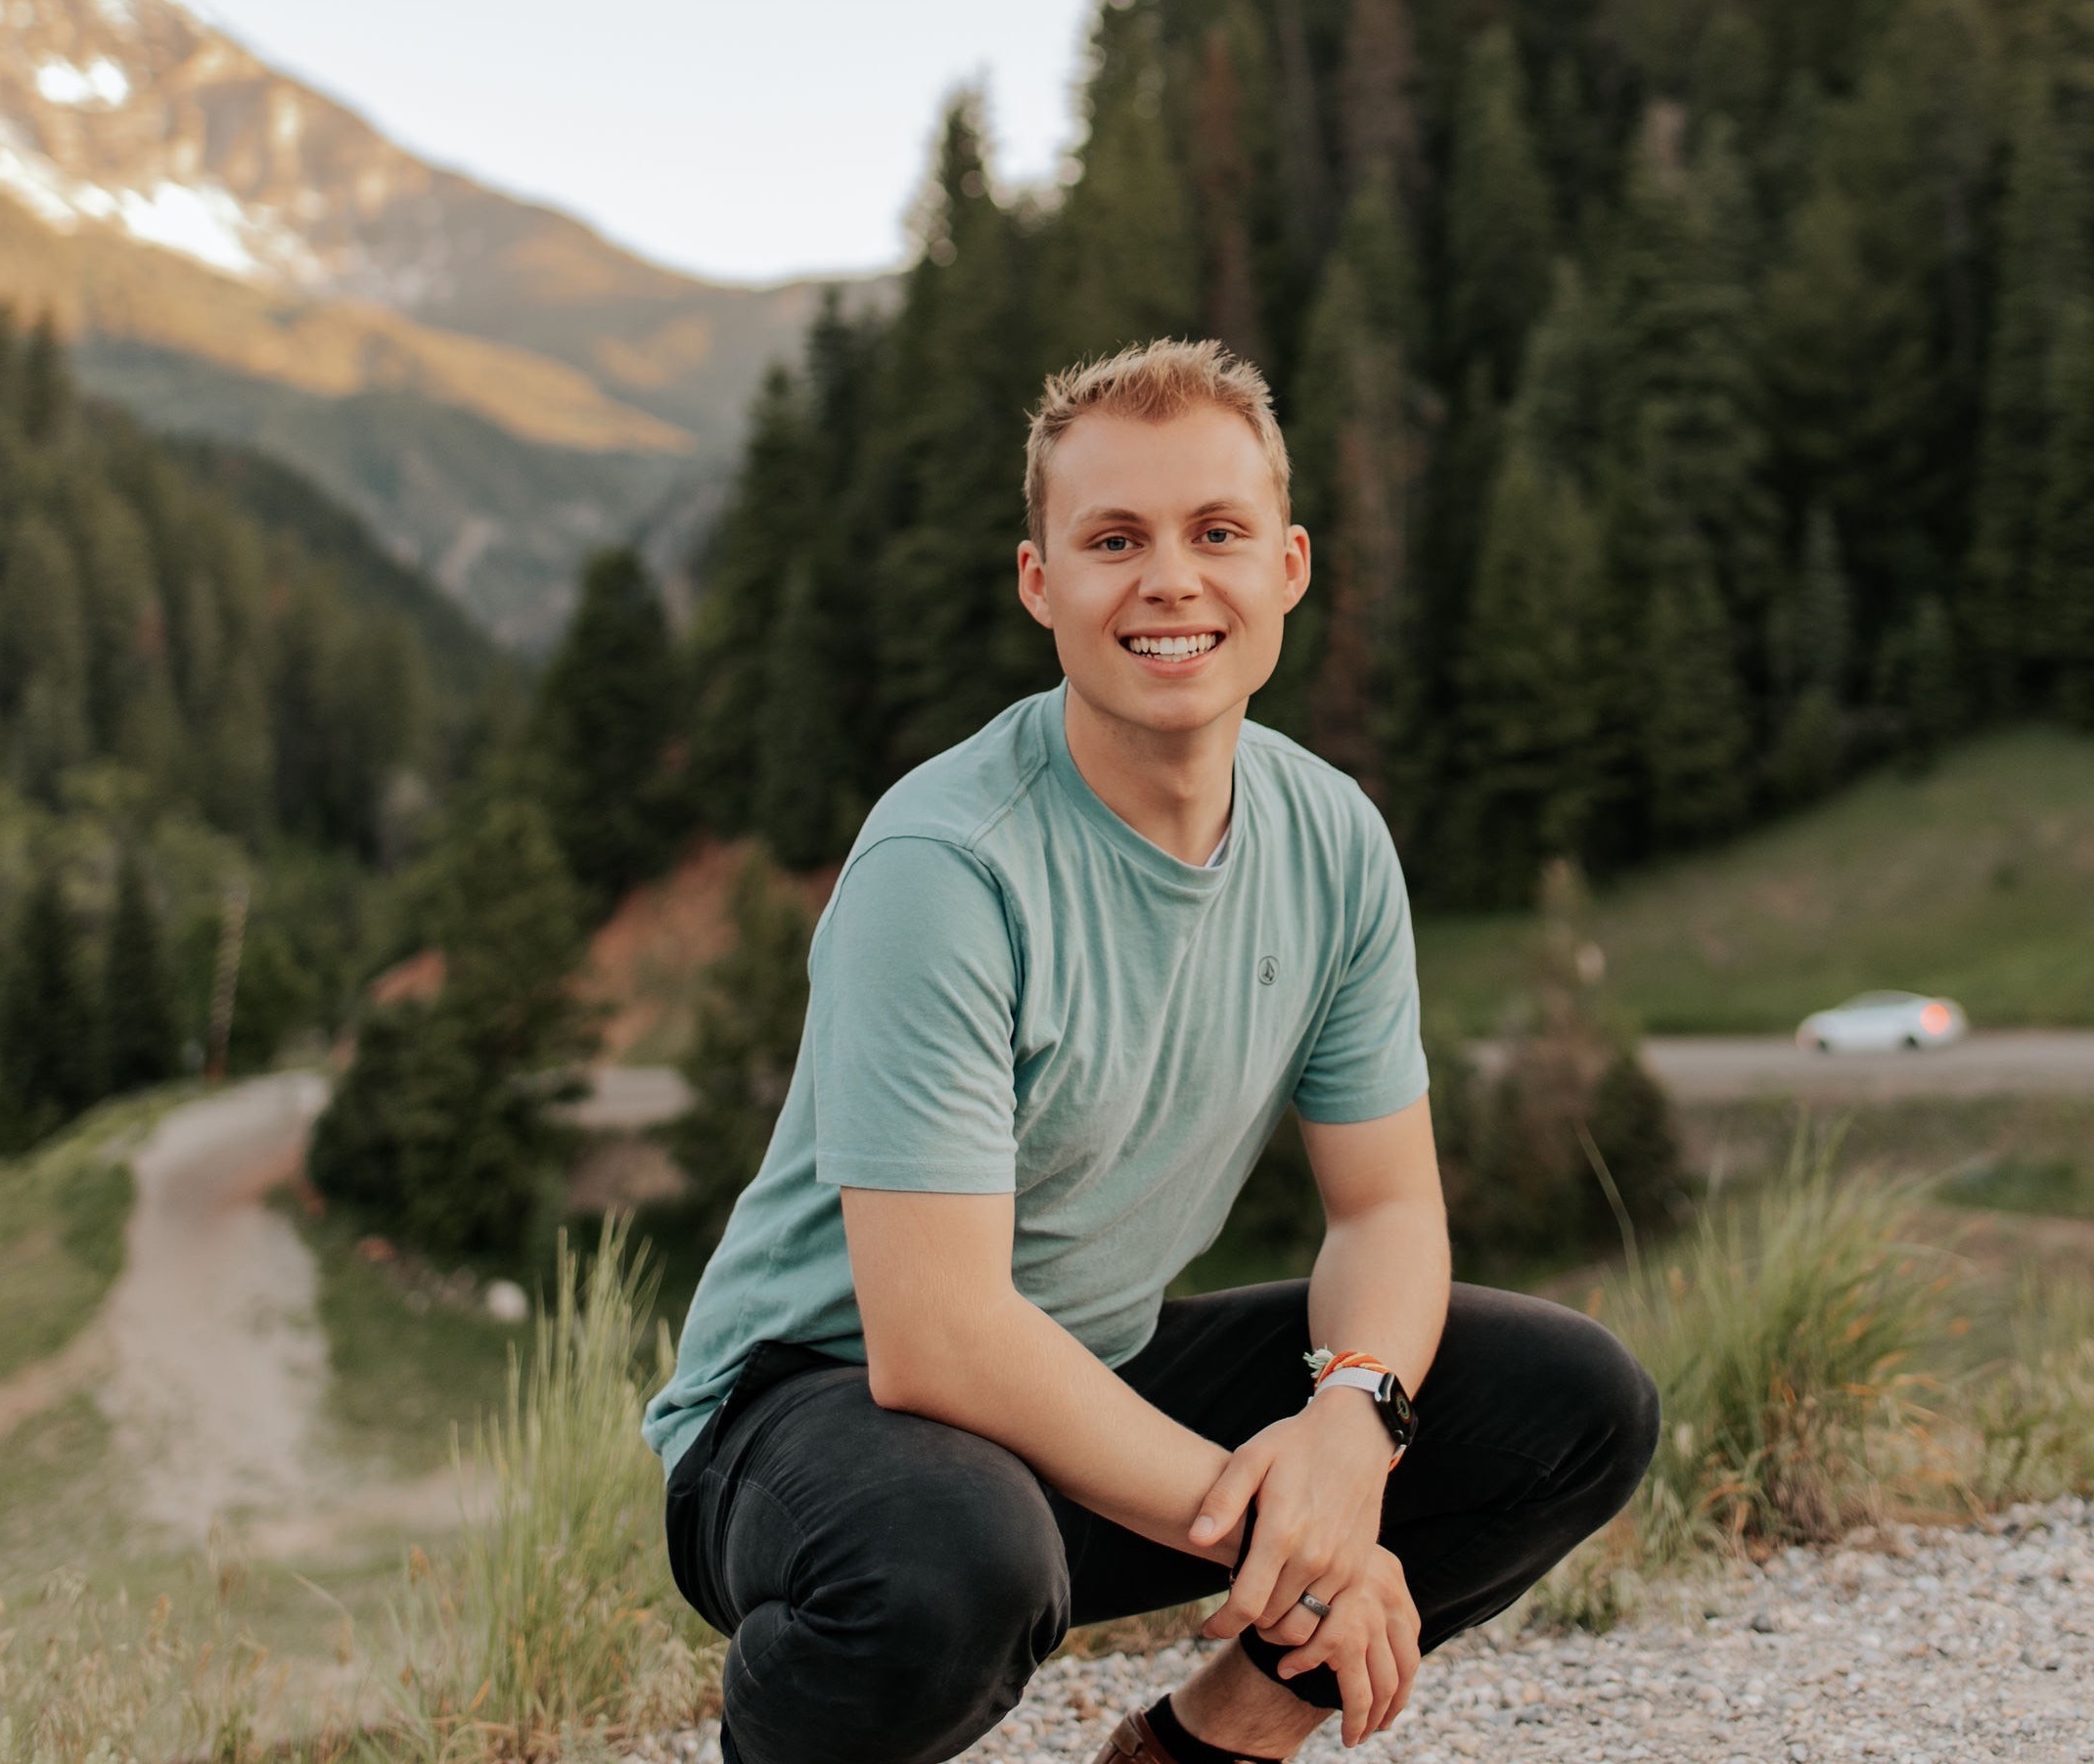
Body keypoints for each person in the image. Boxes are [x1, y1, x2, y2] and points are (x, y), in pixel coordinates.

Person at [647, 339, 1659, 1764]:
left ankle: (1195, 1754)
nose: (1171, 581)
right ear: (1040, 582)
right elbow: (934, 1337)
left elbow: (1385, 1209)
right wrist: (1295, 1531)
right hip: (809, 1416)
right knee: (951, 1568)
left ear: (1288, 568)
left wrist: (1350, 1434)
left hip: (1085, 1381)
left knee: (1569, 1404)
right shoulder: (945, 864)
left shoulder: (1332, 838)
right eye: (1114, 539)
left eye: (1217, 534)